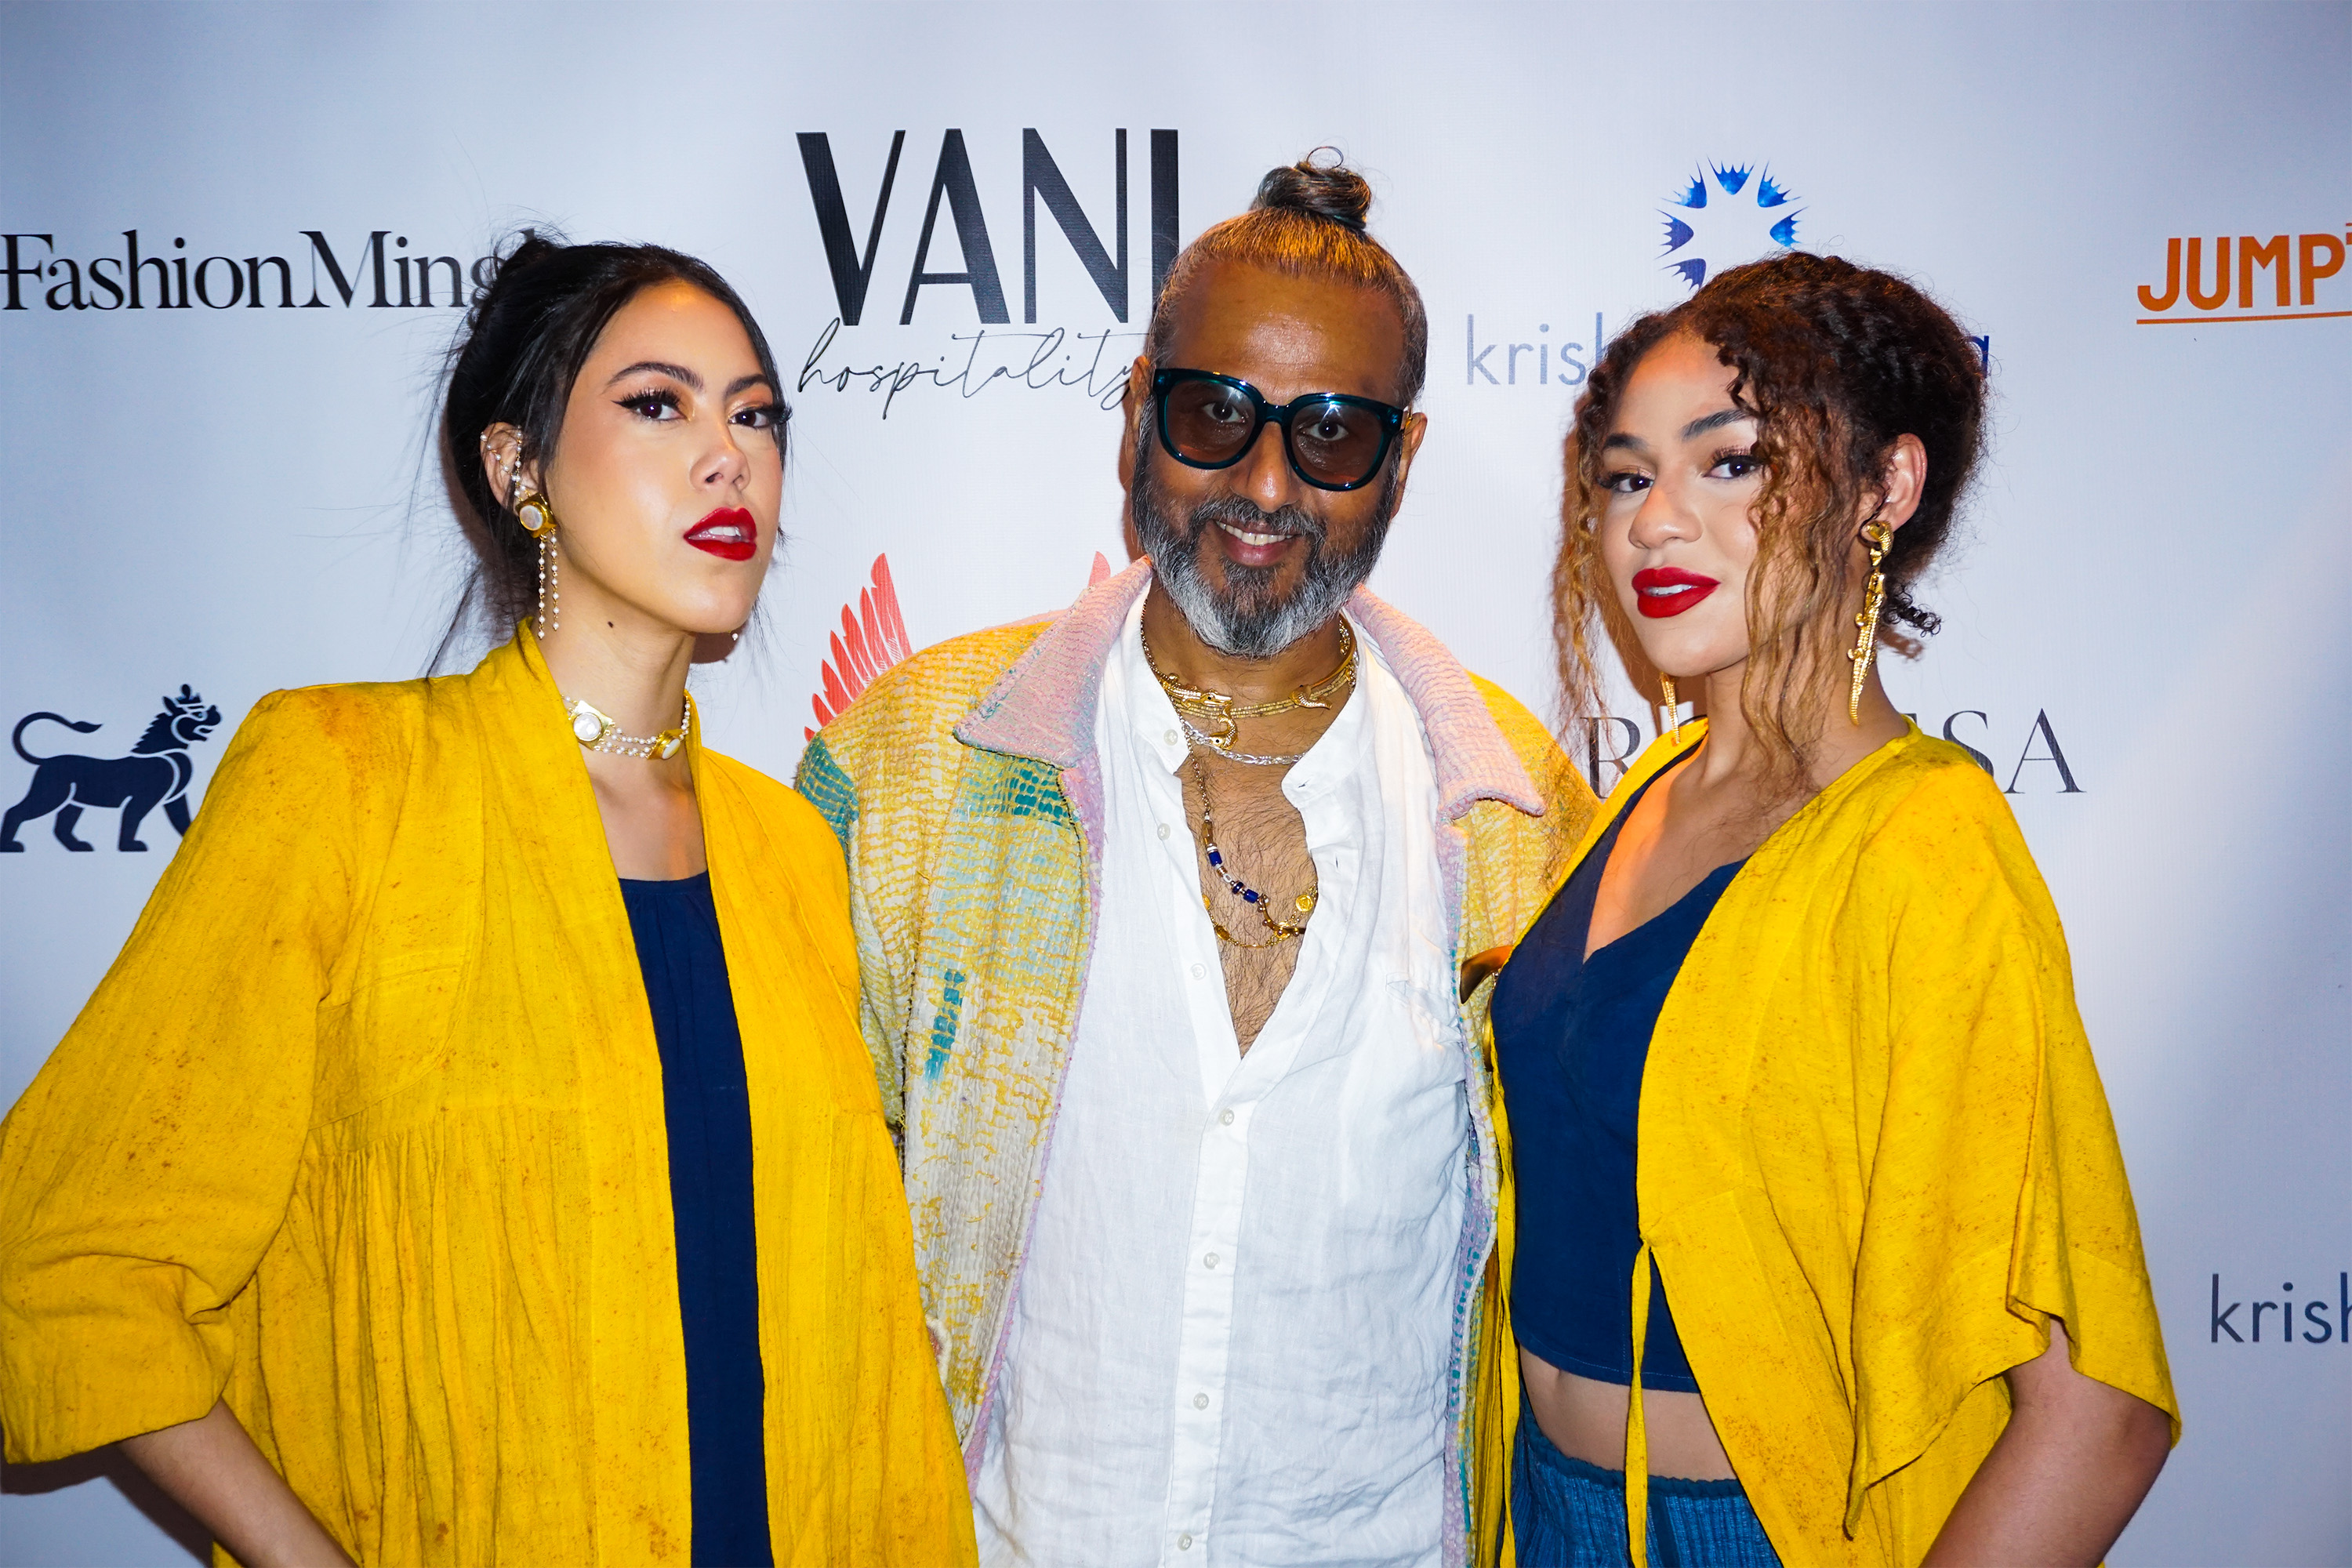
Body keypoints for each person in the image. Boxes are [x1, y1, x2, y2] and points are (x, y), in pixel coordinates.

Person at [0, 234, 974, 1567]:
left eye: (756, 414)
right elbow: (64, 1266)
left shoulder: (790, 848)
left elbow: (849, 1340)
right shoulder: (345, 782)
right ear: (518, 469)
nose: (727, 456)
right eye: (658, 405)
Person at [796, 154, 1594, 1566]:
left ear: (1402, 461)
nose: (1266, 481)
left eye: (1332, 433)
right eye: (1215, 413)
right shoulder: (918, 761)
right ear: (1135, 419)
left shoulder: (1519, 818)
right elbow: (791, 1227)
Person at [1490, 251, 2178, 1567]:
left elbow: (2097, 1415)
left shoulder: (1926, 843)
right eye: (1627, 477)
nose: (1653, 524)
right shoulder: (1640, 792)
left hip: (1763, 1533)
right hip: (1541, 1512)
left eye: (1728, 463)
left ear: (1885, 487)